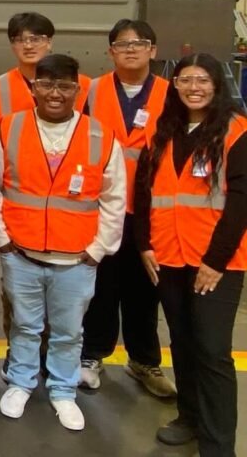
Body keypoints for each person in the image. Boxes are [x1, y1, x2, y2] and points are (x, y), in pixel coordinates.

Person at [0, 54, 125, 432]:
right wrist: (2, 238)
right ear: (33, 88)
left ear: (78, 90)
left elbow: (114, 198)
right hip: (21, 253)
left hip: (77, 258)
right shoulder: (7, 130)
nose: (55, 94)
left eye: (64, 86)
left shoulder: (100, 135)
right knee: (25, 326)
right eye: (46, 85)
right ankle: (21, 382)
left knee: (68, 331)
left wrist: (97, 251)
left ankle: (63, 390)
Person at [134, 53, 247, 457]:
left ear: (217, 85)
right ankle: (190, 417)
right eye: (185, 80)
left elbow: (240, 202)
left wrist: (215, 262)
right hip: (168, 255)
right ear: (174, 85)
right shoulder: (162, 131)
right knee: (181, 341)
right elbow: (144, 191)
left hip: (216, 263)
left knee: (213, 350)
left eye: (202, 80)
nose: (193, 87)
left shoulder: (236, 131)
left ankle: (219, 444)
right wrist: (145, 243)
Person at [79, 20, 175, 398]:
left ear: (153, 50)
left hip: (151, 211)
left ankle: (144, 361)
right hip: (102, 207)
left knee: (144, 290)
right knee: (100, 287)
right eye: (122, 44)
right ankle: (92, 355)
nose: (131, 49)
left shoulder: (171, 93)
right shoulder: (93, 90)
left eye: (140, 43)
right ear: (111, 52)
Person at [0, 12, 91, 145]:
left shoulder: (84, 84)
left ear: (49, 42)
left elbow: (95, 135)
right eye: (19, 40)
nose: (28, 46)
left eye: (36, 39)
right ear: (12, 45)